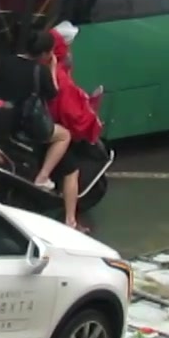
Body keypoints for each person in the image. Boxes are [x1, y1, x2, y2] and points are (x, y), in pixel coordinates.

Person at [0, 28, 72, 194]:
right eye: (50, 52)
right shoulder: (40, 71)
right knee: (64, 136)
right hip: (24, 124)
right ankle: (43, 177)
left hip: (1, 119)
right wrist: (53, 68)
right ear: (43, 54)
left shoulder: (7, 61)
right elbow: (53, 94)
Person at [49, 23, 106, 231]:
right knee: (71, 170)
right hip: (49, 129)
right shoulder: (61, 79)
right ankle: (70, 221)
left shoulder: (44, 69)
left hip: (33, 125)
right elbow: (71, 114)